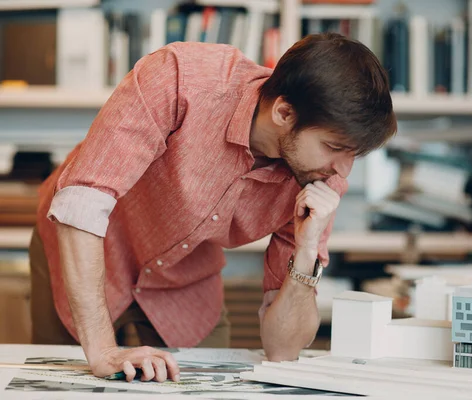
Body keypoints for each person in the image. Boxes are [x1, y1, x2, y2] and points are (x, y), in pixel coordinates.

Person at [29, 33, 396, 383]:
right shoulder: (181, 77)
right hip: (86, 250)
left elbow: (283, 350)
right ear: (284, 112)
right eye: (335, 147)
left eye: (355, 154)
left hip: (185, 279)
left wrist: (305, 251)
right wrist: (104, 351)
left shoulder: (320, 178)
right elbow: (82, 202)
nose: (343, 172)